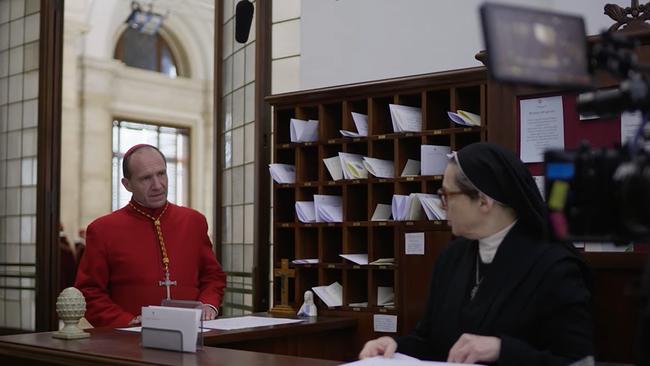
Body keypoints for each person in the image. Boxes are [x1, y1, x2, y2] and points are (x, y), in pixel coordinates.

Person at [359, 142, 593, 365]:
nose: (442, 205)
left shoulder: (554, 267)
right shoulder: (451, 258)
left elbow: (577, 362)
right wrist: (394, 347)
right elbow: (430, 343)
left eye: (447, 195)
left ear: (483, 201)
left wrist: (502, 350)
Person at [75, 144, 226, 327]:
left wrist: (208, 304)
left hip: (194, 334)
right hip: (130, 343)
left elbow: (213, 276)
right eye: (146, 178)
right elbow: (89, 291)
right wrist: (127, 321)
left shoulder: (194, 221)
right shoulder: (103, 230)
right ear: (127, 184)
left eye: (161, 174)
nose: (157, 185)